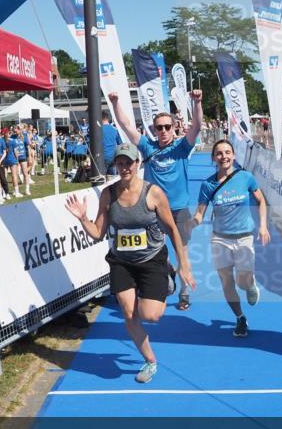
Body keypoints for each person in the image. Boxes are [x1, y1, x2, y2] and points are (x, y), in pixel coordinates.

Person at [65, 143, 195, 384]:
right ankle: (150, 360)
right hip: (121, 261)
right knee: (128, 313)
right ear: (116, 165)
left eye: (129, 162)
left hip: (152, 260)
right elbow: (98, 232)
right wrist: (83, 218)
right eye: (120, 163)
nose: (124, 167)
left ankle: (167, 278)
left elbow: (173, 230)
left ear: (137, 164)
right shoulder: (109, 194)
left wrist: (183, 264)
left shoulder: (153, 193)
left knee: (151, 315)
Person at [108, 87, 203, 311]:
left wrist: (197, 103)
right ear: (154, 129)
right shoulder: (147, 146)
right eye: (158, 127)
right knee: (152, 250)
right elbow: (126, 126)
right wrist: (114, 103)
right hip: (151, 210)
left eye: (167, 127)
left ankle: (184, 292)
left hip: (178, 209)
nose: (163, 131)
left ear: (174, 128)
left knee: (183, 251)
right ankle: (163, 272)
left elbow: (197, 126)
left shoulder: (182, 147)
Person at [194, 139, 270, 337]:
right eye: (219, 153)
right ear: (213, 158)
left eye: (227, 152)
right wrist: (190, 223)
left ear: (234, 155)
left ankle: (251, 285)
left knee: (242, 282)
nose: (224, 156)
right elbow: (200, 213)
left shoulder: (245, 177)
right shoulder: (208, 184)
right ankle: (240, 317)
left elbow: (261, 201)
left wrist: (263, 226)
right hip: (220, 239)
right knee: (227, 282)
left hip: (244, 238)